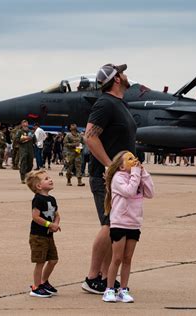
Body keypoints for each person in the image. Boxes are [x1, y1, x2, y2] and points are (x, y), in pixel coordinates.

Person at [82, 63, 137, 294]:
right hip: (106, 177)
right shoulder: (105, 103)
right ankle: (92, 277)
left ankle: (106, 278)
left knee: (114, 225)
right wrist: (109, 165)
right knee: (109, 224)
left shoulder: (119, 103)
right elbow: (90, 137)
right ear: (116, 79)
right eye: (122, 72)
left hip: (119, 177)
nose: (126, 74)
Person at [101, 151, 154, 303]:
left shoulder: (136, 176)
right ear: (121, 166)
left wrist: (143, 173)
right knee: (116, 258)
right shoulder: (118, 178)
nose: (134, 160)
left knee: (127, 258)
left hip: (134, 223)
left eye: (134, 157)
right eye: (130, 159)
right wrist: (136, 173)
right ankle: (109, 289)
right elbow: (129, 191)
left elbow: (150, 193)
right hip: (119, 222)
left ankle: (123, 289)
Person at [25, 170, 61, 298]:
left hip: (49, 236)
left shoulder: (52, 199)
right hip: (38, 236)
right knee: (40, 262)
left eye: (50, 178)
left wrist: (55, 224)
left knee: (53, 260)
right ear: (39, 186)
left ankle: (44, 281)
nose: (50, 180)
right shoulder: (37, 199)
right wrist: (49, 225)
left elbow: (57, 215)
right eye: (46, 179)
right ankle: (36, 287)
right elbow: (35, 217)